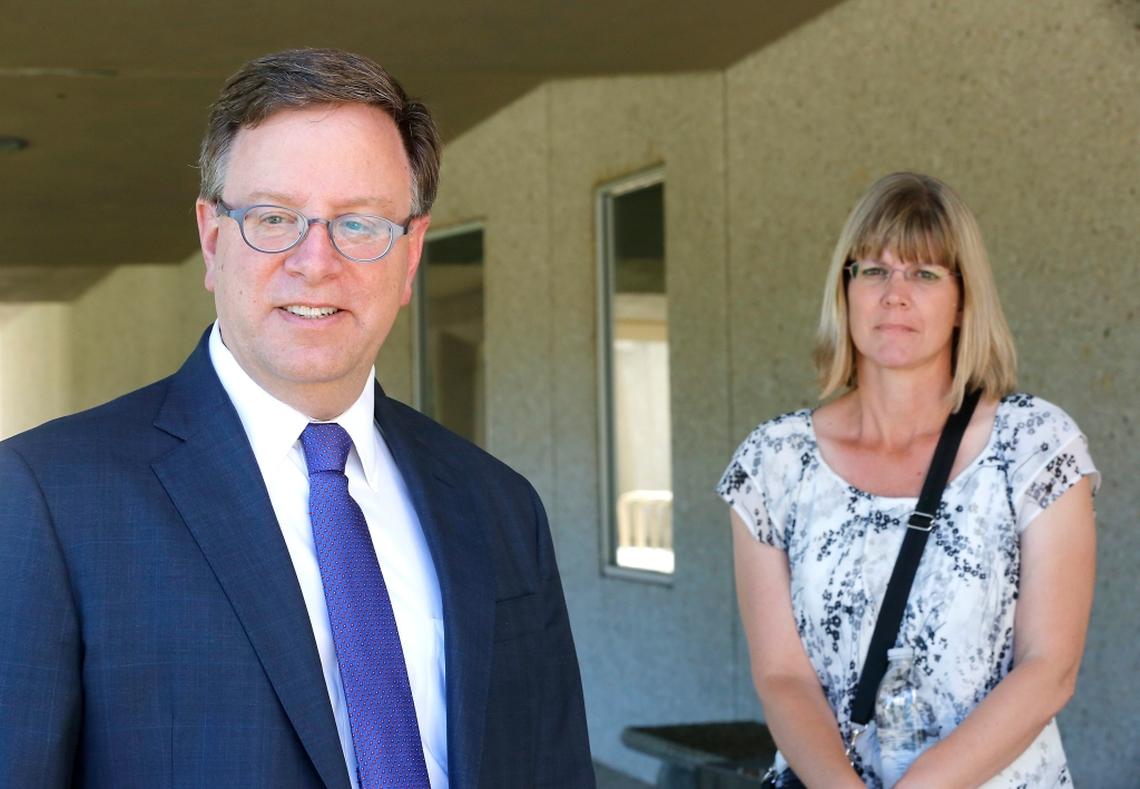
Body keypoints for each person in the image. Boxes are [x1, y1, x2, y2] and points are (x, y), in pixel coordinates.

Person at [0, 48, 593, 789]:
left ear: (410, 256)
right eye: (274, 218)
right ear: (212, 239)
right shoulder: (46, 498)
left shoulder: (500, 505)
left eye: (360, 223)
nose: (316, 262)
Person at [717, 172, 1097, 788]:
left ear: (963, 301)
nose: (894, 294)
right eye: (872, 270)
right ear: (844, 291)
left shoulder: (1035, 447)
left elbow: (1048, 666)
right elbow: (782, 676)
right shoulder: (773, 463)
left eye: (923, 274)